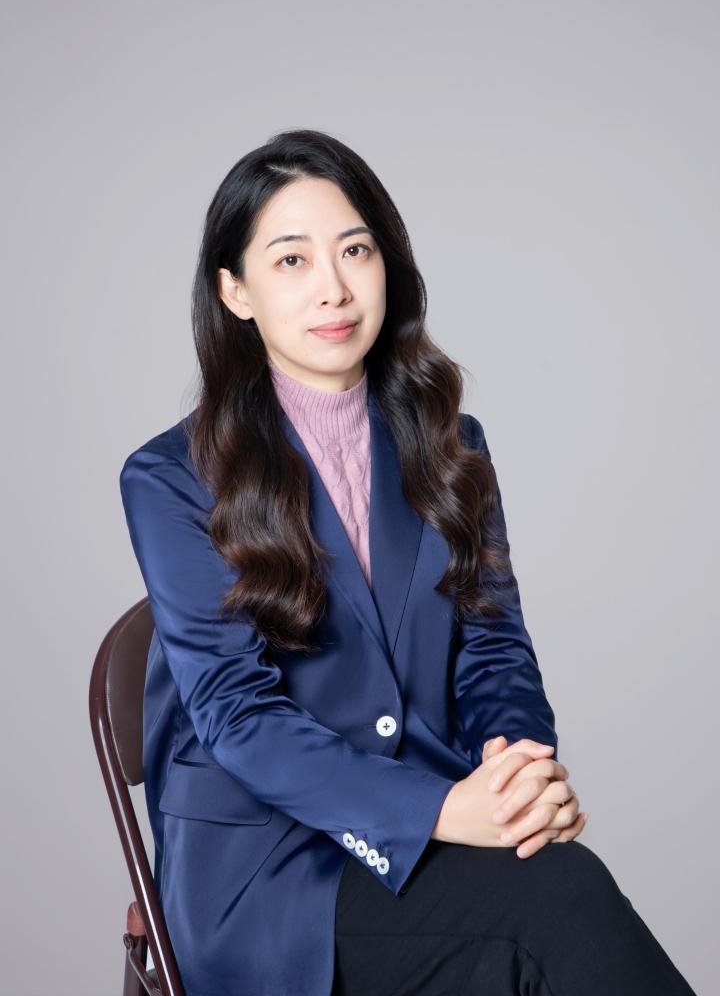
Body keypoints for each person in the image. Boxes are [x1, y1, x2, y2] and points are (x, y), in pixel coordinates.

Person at [119, 128, 696, 995]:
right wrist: (444, 809)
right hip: (269, 870)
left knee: (555, 886)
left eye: (356, 250)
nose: (334, 287)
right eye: (291, 260)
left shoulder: (451, 443)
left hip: (433, 818)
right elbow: (239, 719)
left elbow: (493, 648)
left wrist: (517, 774)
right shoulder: (169, 478)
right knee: (555, 906)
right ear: (235, 290)